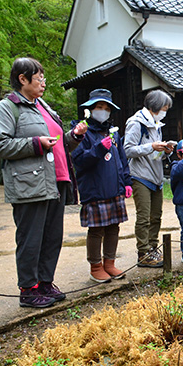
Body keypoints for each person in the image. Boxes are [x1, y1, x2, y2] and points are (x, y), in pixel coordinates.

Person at [0, 57, 87, 308]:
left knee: (51, 237)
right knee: (30, 238)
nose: (43, 82)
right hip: (29, 184)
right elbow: (0, 145)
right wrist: (36, 144)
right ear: (22, 79)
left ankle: (45, 283)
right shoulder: (6, 108)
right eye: (39, 77)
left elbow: (57, 142)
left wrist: (73, 137)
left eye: (43, 77)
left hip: (54, 181)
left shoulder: (42, 105)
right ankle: (28, 289)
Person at [71, 89, 132, 283]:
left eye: (106, 108)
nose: (103, 111)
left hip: (114, 188)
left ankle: (109, 263)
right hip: (94, 189)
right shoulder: (81, 130)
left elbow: (121, 159)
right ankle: (95, 266)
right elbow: (78, 160)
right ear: (90, 109)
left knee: (114, 227)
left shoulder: (112, 131)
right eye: (99, 107)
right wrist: (99, 148)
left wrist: (127, 181)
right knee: (96, 229)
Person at [124, 89, 176, 267]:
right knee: (144, 217)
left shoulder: (156, 124)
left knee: (156, 216)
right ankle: (143, 253)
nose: (165, 111)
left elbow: (153, 152)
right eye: (164, 108)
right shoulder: (136, 123)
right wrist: (151, 146)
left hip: (156, 176)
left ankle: (153, 248)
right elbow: (127, 150)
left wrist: (164, 150)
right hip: (140, 176)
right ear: (154, 106)